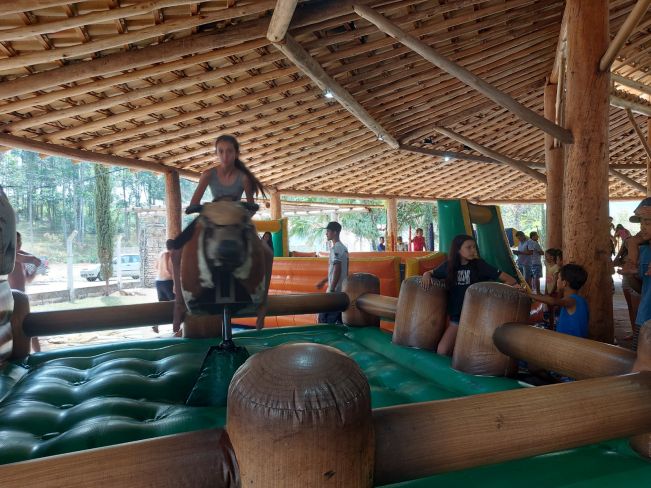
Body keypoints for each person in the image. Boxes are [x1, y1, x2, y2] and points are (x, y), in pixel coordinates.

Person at [170, 134, 267, 331]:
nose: (225, 155)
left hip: (236, 218)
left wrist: (240, 211)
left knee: (267, 252)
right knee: (176, 250)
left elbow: (250, 206)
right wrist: (202, 208)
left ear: (236, 153)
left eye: (229, 151)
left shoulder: (244, 177)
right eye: (221, 151)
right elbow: (194, 202)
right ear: (216, 153)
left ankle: (263, 302)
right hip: (212, 216)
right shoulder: (208, 174)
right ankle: (179, 302)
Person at [421, 234, 517, 356]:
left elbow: (511, 280)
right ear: (458, 249)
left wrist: (492, 295)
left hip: (478, 317)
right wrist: (426, 275)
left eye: (474, 247)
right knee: (442, 350)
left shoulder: (479, 265)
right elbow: (430, 273)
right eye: (469, 247)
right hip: (457, 318)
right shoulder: (449, 266)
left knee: (470, 355)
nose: (473, 250)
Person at [524, 264, 589, 339]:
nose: (557, 280)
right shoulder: (582, 300)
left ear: (564, 283)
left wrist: (528, 295)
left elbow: (552, 301)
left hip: (569, 342)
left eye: (558, 278)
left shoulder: (571, 301)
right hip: (575, 341)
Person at [8, 232, 42, 352]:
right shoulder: (11, 256)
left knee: (30, 327)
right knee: (23, 328)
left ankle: (39, 355)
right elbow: (29, 258)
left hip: (21, 300)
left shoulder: (20, 260)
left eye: (20, 241)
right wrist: (34, 259)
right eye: (16, 240)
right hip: (12, 300)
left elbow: (28, 279)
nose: (19, 243)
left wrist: (36, 268)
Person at [316, 222, 349, 324]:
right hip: (341, 291)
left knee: (324, 321)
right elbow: (339, 270)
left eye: (328, 231)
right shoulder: (344, 248)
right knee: (338, 322)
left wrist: (331, 289)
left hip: (335, 292)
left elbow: (337, 269)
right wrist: (324, 281)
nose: (326, 233)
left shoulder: (337, 248)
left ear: (335, 232)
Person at [153, 239, 176, 334]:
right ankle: (177, 327)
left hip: (158, 281)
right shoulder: (168, 254)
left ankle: (156, 324)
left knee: (161, 305)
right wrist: (175, 281)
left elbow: (156, 266)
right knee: (175, 304)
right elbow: (168, 269)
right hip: (167, 282)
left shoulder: (161, 254)